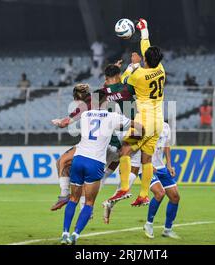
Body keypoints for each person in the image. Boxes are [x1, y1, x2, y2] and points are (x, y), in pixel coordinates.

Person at [50, 63, 137, 211]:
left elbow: (68, 121)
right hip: (125, 142)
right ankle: (122, 191)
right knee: (101, 177)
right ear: (118, 76)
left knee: (63, 162)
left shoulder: (98, 95)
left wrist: (61, 122)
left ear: (105, 77)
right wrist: (133, 66)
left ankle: (66, 195)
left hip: (102, 143)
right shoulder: (128, 88)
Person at [60, 90, 142, 245]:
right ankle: (75, 236)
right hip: (95, 162)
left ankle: (65, 233)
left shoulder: (85, 115)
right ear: (106, 101)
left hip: (79, 159)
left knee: (73, 199)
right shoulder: (112, 117)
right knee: (89, 202)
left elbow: (71, 123)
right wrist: (136, 137)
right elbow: (137, 126)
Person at [109, 18, 166, 206]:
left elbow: (122, 86)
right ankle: (143, 194)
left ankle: (124, 189)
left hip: (143, 123)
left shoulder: (139, 75)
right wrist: (144, 31)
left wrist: (130, 67)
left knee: (125, 149)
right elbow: (147, 49)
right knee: (146, 159)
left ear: (145, 60)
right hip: (158, 123)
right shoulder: (161, 69)